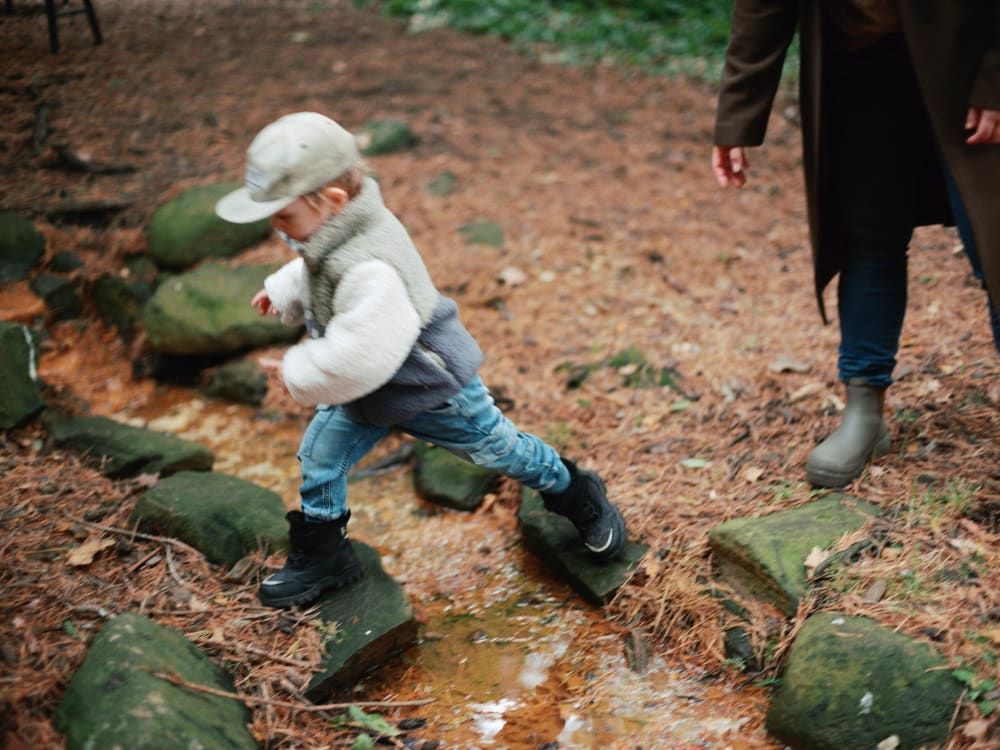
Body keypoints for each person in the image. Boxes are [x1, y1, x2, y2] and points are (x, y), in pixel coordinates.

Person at [215, 112, 627, 608]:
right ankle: (325, 555)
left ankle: (577, 492)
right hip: (365, 393)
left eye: (284, 216)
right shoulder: (334, 232)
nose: (277, 228)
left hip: (429, 391)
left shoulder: (372, 267)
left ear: (333, 201)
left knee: (502, 452)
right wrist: (283, 290)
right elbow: (317, 268)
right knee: (320, 456)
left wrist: (297, 371)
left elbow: (360, 352)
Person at [712, 2, 1000, 488]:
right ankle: (864, 408)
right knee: (869, 236)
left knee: (994, 245)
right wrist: (737, 117)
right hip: (862, 66)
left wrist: (995, 80)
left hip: (966, 61)